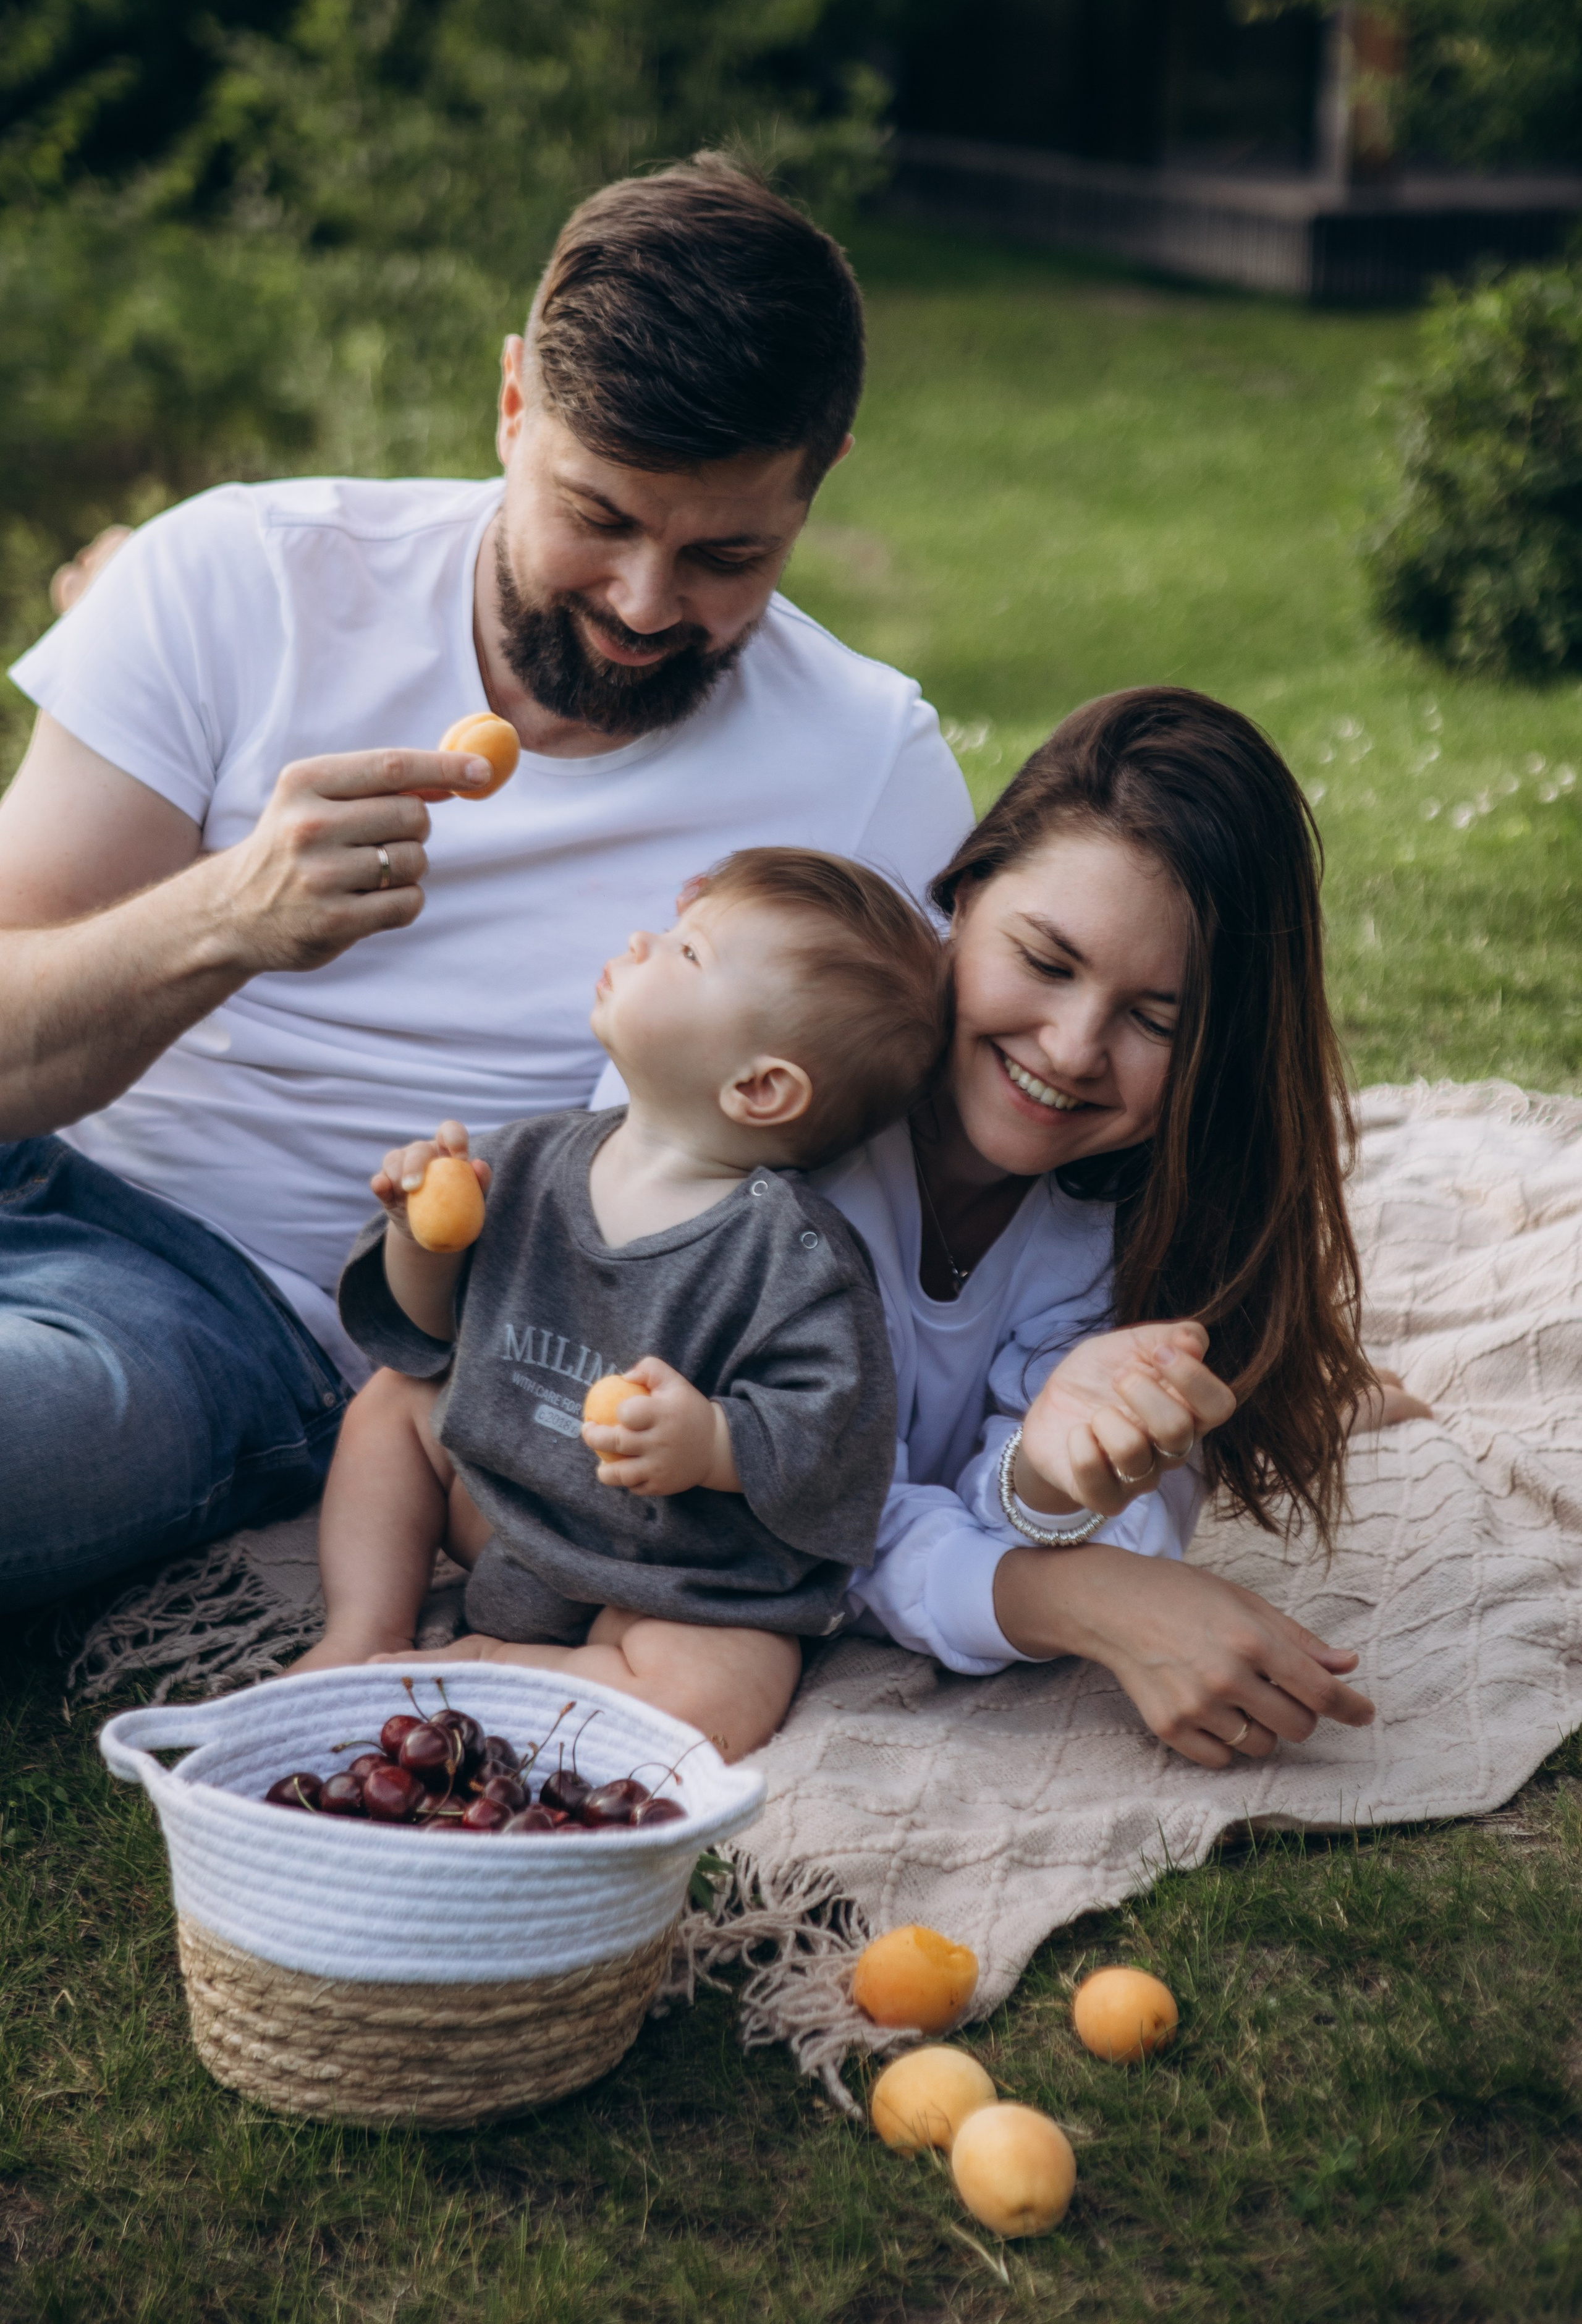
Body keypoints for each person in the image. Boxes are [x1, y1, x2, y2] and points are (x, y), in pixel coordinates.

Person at [0, 156, 969, 1609]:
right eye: (597, 516)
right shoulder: (237, 578)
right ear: (514, 404)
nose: (648, 606)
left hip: (225, 1309)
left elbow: (972, 1153)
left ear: (818, 477)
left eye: (726, 554)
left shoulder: (862, 769)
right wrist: (228, 916)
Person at [814, 685, 1431, 1770]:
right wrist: (1094, 1602)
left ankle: (1317, 1389)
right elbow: (792, 1518)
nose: (1070, 1047)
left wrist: (1051, 1478)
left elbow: (1115, 1521)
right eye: (1045, 962)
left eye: (1157, 1020)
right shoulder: (790, 1091)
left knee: (1245, 1392)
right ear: (959, 895)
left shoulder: (1164, 1222)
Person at [290, 850, 945, 1760]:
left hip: (677, 1578)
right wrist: (419, 1238)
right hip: (512, 1513)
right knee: (395, 1408)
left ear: (760, 1087)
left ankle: (490, 1670)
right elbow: (429, 1336)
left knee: (720, 1693)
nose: (643, 939)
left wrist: (714, 1442)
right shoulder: (522, 1162)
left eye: (687, 954)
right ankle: (363, 1629)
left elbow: (835, 1436)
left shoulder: (793, 1254)